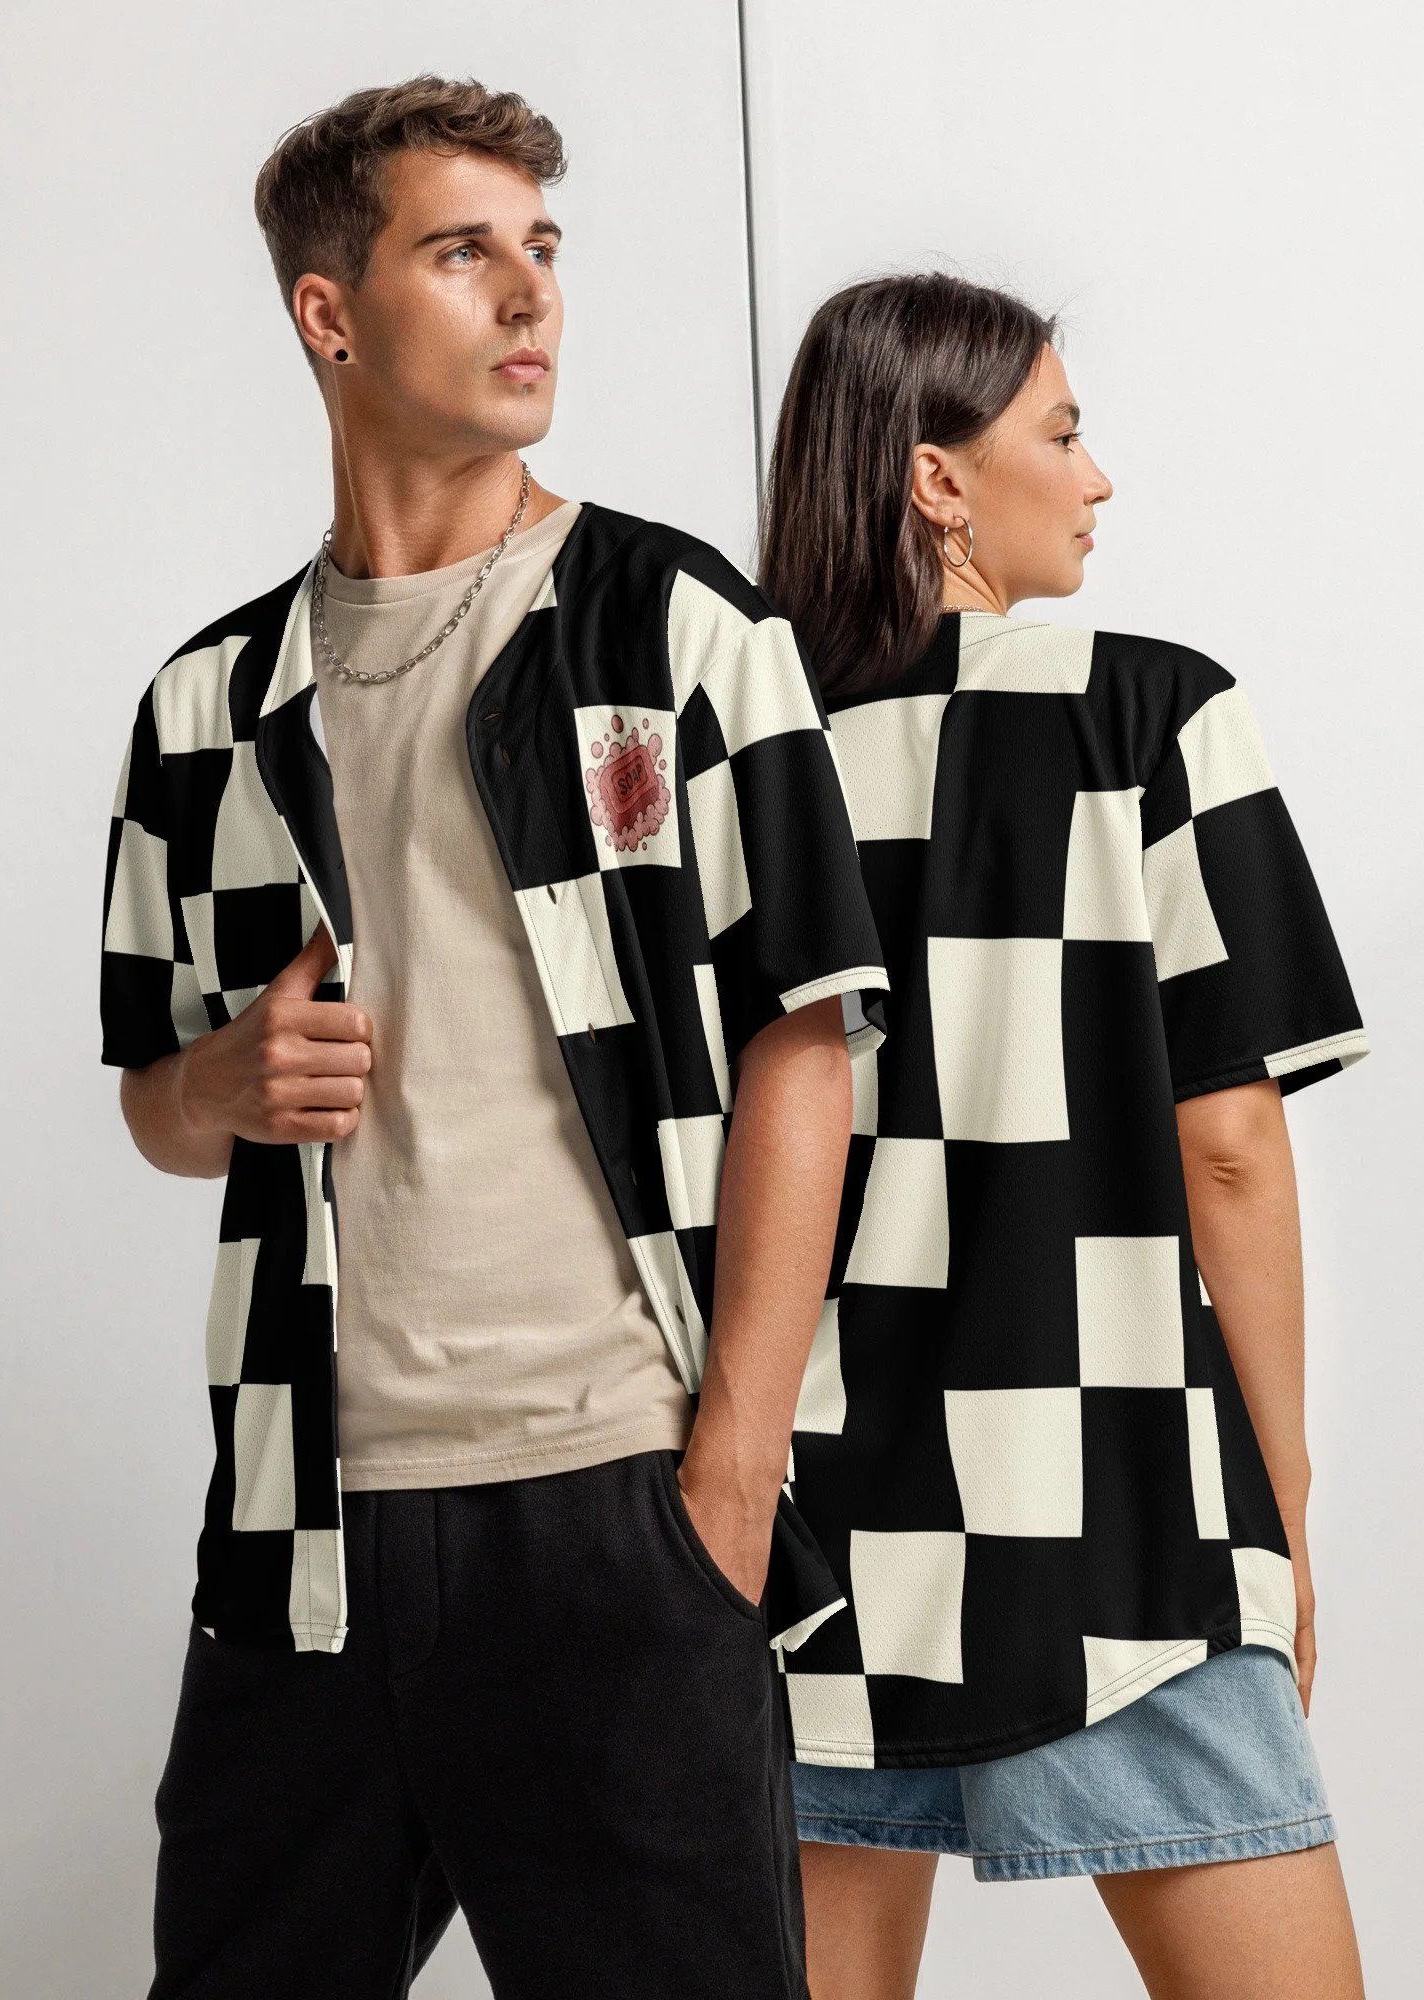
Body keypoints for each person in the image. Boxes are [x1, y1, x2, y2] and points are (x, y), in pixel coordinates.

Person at [99, 77, 886, 1999]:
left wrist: (731, 1474)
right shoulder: (206, 705)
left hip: (616, 1503)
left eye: (543, 249)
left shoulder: (678, 625)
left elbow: (810, 1042)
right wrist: (222, 1083)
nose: (531, 294)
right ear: (330, 312)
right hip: (304, 1526)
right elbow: (156, 1103)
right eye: (464, 252)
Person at [758, 273, 1371, 1999]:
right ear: (938, 480)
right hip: (1118, 1505)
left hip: (805, 1523)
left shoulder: (748, 754)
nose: (1099, 479)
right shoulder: (1153, 712)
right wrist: (1281, 1495)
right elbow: (1229, 1143)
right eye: (1065, 431)